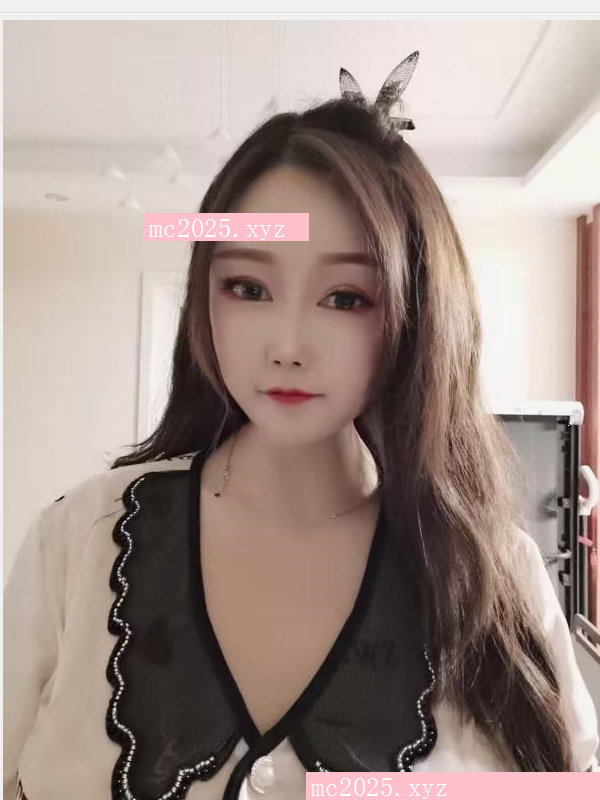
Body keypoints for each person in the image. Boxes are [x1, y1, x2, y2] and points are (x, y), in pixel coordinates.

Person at [4, 69, 600, 800]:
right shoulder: (79, 542)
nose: (287, 345)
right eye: (248, 288)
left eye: (345, 298)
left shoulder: (493, 573)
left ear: (415, 315)